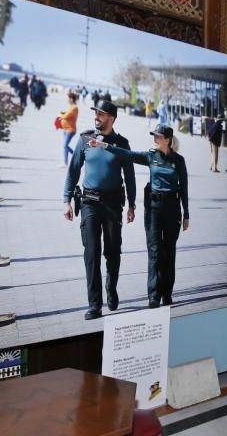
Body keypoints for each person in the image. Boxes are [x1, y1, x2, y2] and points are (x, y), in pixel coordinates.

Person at [89, 124, 189, 308]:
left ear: (167, 139)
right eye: (154, 136)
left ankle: (167, 293)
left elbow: (184, 188)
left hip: (172, 209)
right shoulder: (151, 156)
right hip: (154, 208)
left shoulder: (178, 161)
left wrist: (186, 215)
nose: (154, 139)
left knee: (169, 252)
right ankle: (153, 295)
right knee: (154, 251)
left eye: (158, 136)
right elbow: (128, 154)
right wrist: (104, 146)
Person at [63, 99, 137, 320]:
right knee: (91, 252)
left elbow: (130, 176)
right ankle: (94, 304)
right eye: (96, 113)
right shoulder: (85, 139)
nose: (97, 117)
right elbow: (73, 170)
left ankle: (111, 287)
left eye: (101, 114)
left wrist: (132, 205)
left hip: (114, 205)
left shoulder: (122, 143)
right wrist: (66, 199)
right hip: (89, 204)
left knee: (113, 252)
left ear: (112, 118)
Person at [59, 91, 79, 167]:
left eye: (68, 98)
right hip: (66, 129)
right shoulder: (71, 107)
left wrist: (61, 115)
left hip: (70, 129)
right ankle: (65, 163)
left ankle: (76, 156)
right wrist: (63, 113)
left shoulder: (74, 108)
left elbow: (67, 116)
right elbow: (68, 115)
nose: (67, 100)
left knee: (65, 145)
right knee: (65, 146)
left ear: (71, 99)